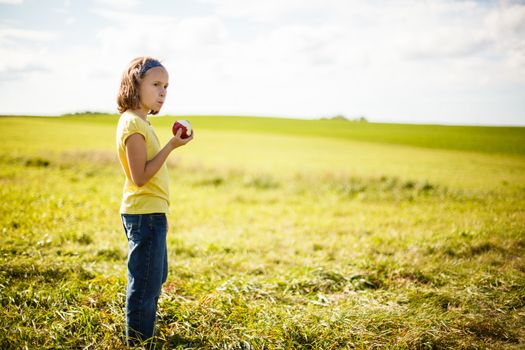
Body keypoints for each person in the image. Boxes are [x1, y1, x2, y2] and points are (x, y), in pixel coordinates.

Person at [115, 56, 193, 346]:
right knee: (144, 286)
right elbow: (140, 176)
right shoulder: (133, 125)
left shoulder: (141, 122)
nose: (163, 92)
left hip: (152, 213)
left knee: (157, 276)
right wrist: (172, 146)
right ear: (136, 84)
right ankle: (138, 341)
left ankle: (142, 331)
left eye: (166, 86)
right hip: (144, 214)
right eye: (156, 84)